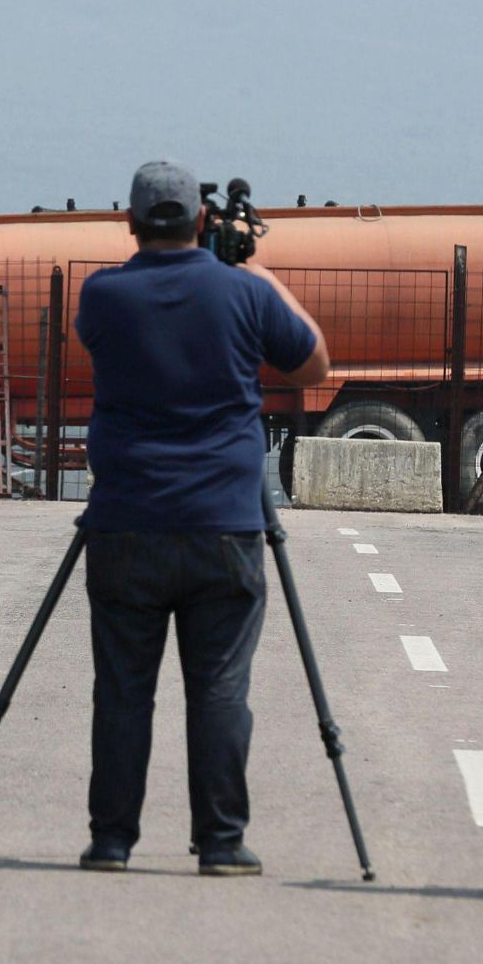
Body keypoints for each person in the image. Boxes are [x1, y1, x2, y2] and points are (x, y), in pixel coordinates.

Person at [74, 160, 329, 876]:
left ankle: (112, 840)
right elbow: (314, 366)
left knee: (123, 689)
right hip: (224, 521)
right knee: (218, 686)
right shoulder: (243, 292)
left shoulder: (101, 297)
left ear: (129, 222)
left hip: (124, 521)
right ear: (201, 220)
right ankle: (220, 842)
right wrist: (254, 270)